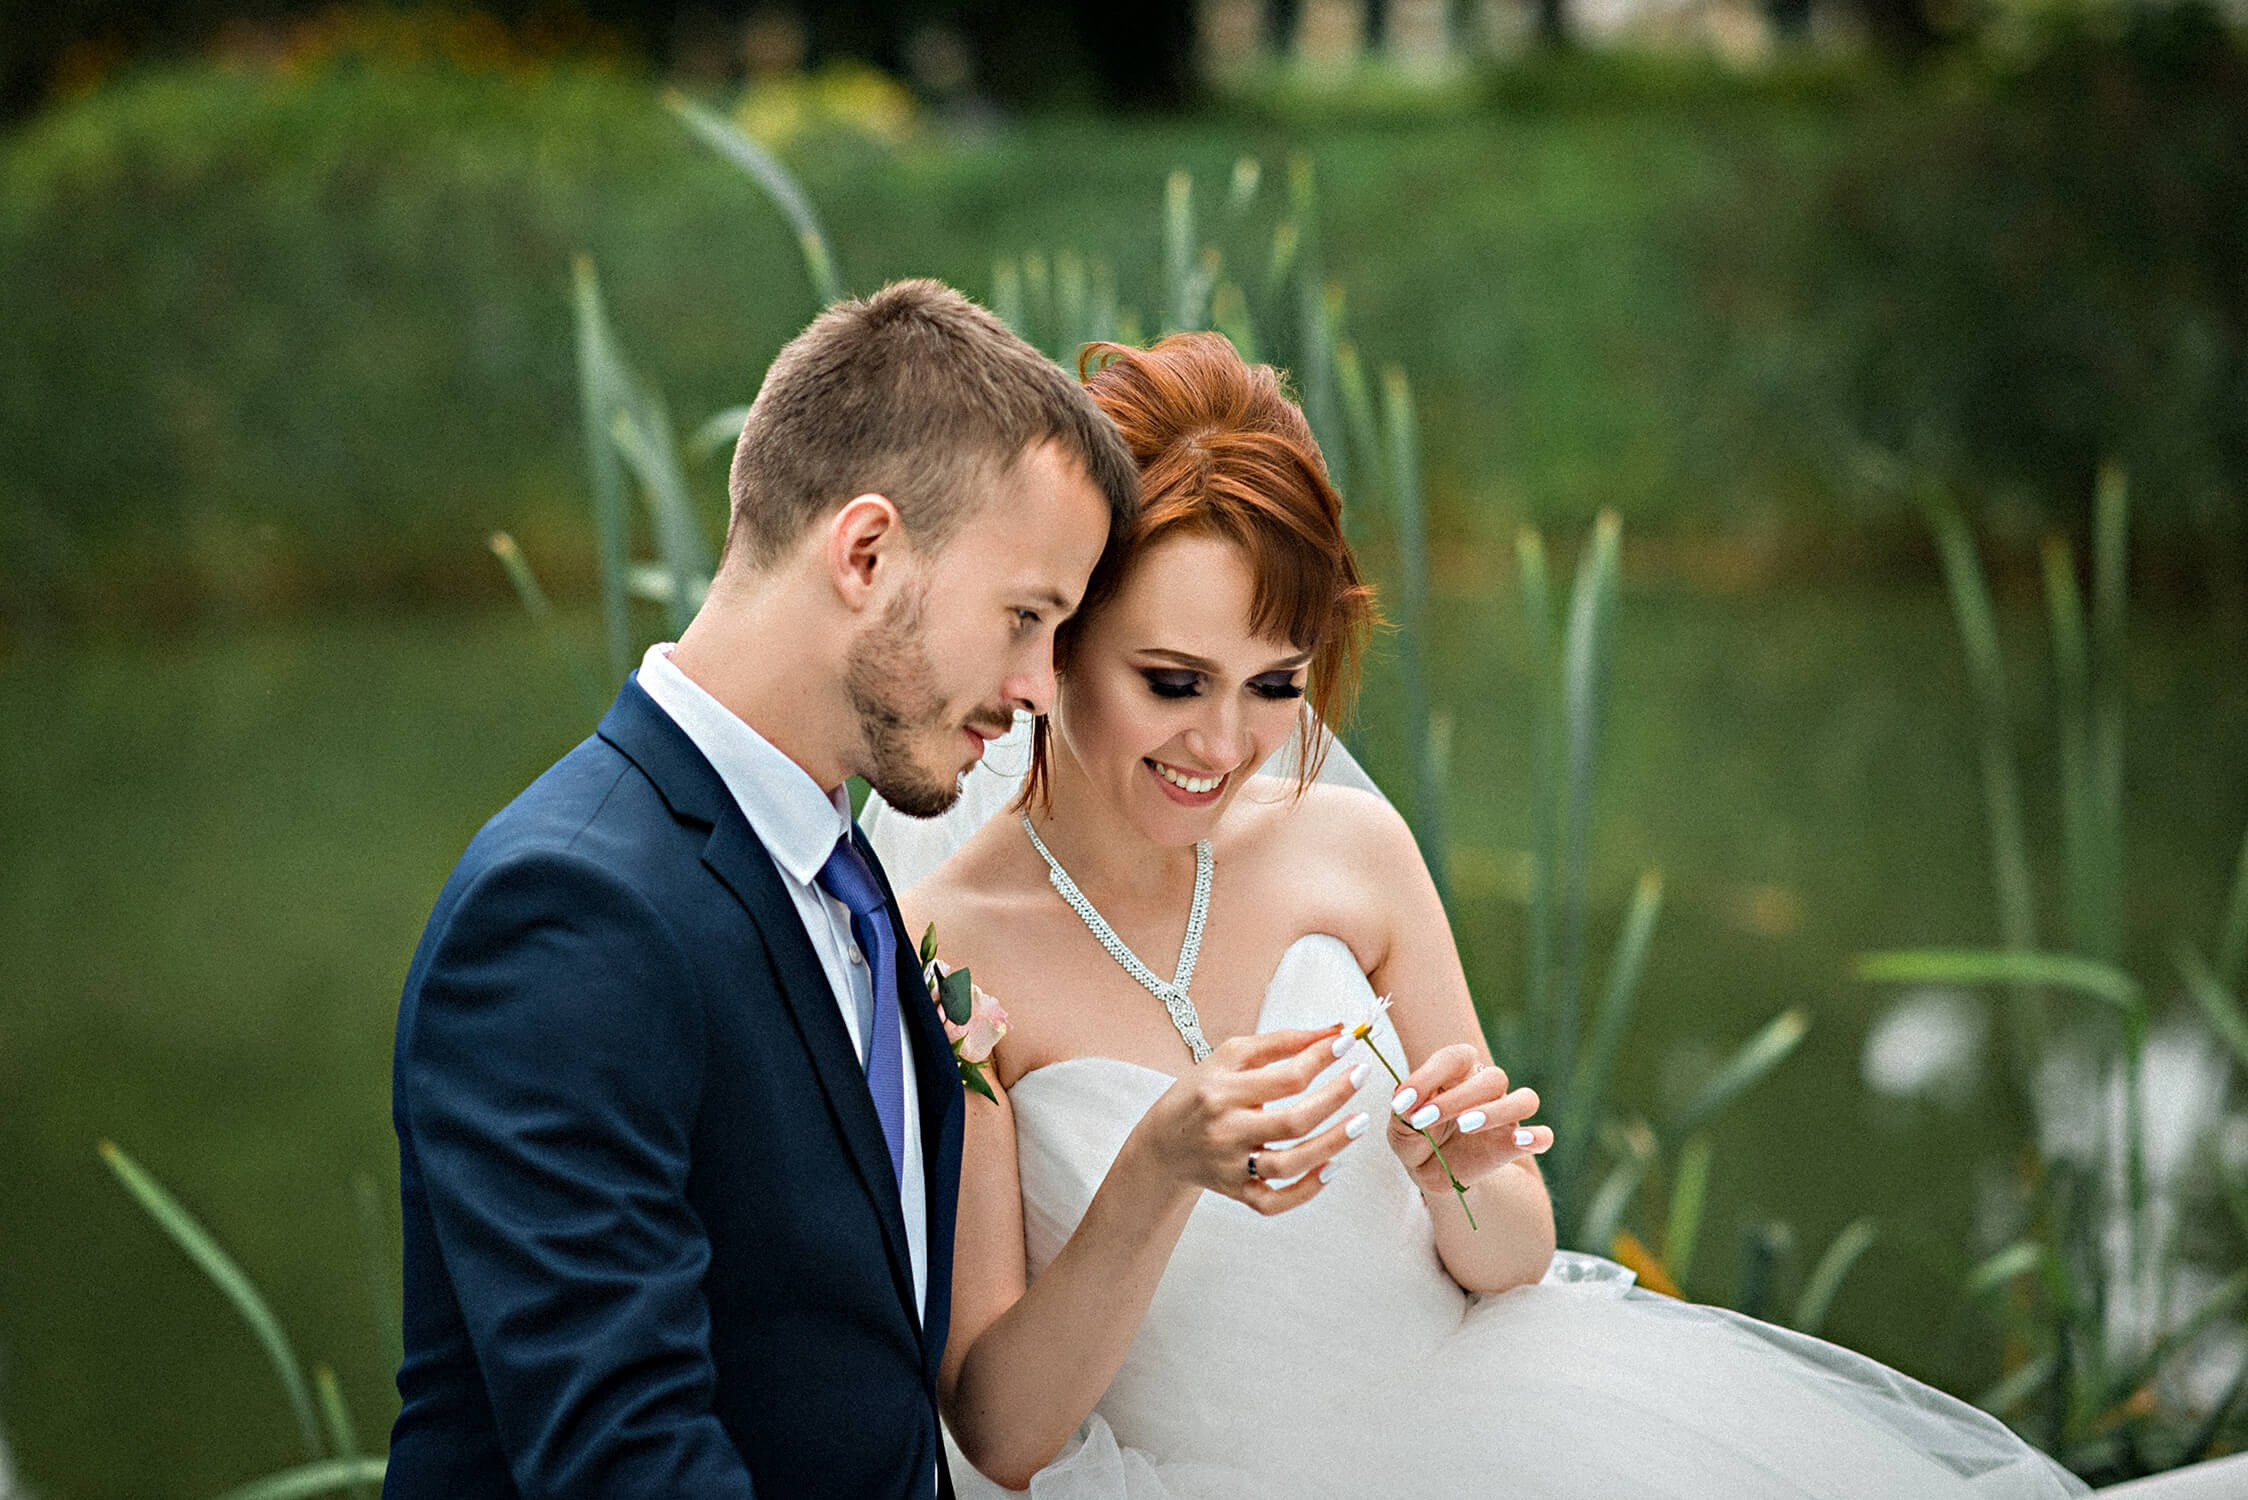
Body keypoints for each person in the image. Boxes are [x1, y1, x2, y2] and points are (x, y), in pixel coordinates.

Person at [871, 332, 2091, 1499]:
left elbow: (1510, 1249)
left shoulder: (1348, 854)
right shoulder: (947, 947)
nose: (1226, 743)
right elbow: (1004, 1432)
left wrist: (1459, 1170)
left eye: (1276, 685)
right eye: (1172, 682)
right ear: (1059, 639)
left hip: (1489, 1427)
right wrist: (1153, 1174)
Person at [385, 279, 1137, 1498]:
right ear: (866, 552)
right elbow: (625, 1461)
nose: (1041, 687)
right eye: (1024, 617)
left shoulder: (849, 884)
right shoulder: (567, 916)